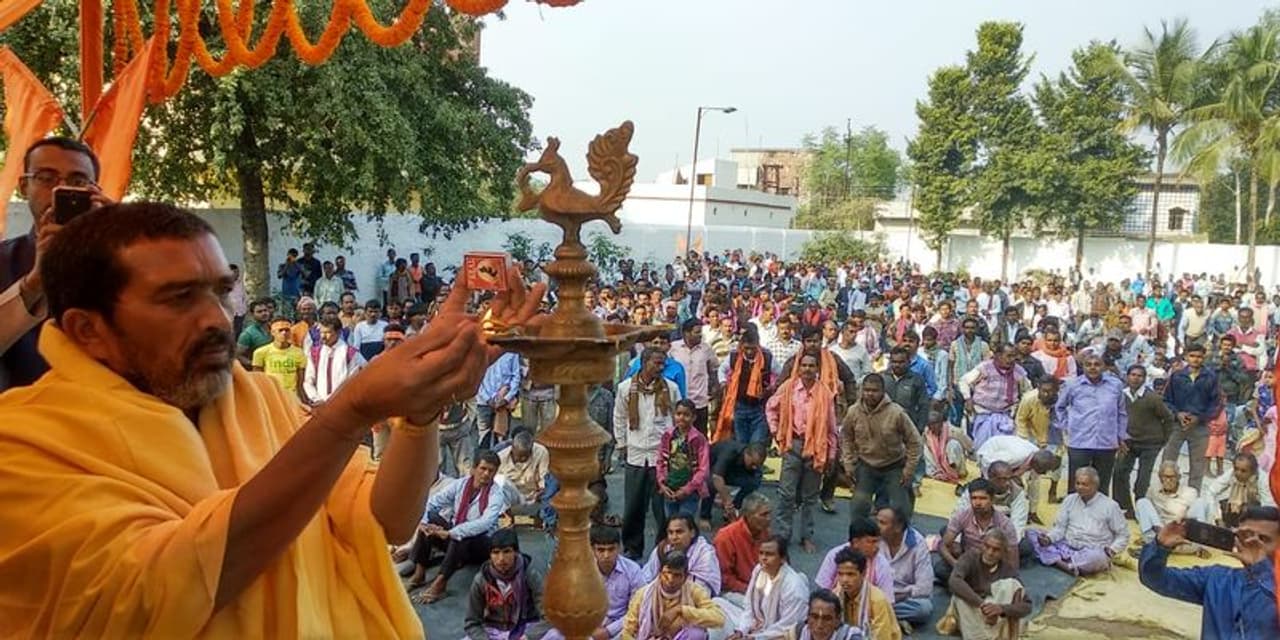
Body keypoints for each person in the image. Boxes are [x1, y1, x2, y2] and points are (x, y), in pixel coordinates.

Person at [0, 202, 544, 636]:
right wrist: (351, 409)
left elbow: (387, 522)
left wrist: (422, 410)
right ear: (87, 329)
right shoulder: (23, 446)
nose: (216, 318)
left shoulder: (258, 398)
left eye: (219, 290)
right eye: (178, 298)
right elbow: (159, 591)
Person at [1, 138, 108, 391]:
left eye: (78, 181)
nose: (61, 189)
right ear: (24, 186)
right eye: (46, 178)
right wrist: (34, 284)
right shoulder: (3, 260)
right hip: (16, 420)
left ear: (95, 191)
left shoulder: (121, 261)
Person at [1137, 505, 1280, 639]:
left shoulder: (1275, 591)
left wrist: (1261, 570)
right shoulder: (1218, 580)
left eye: (1263, 539)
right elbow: (1154, 578)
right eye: (1245, 536)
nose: (1252, 544)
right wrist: (1160, 547)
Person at [414, 450, 512, 603]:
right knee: (430, 521)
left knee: (463, 533)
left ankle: (440, 584)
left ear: (495, 473)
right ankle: (419, 573)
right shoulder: (460, 484)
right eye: (483, 468)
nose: (486, 474)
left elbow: (484, 523)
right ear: (474, 469)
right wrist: (425, 523)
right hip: (456, 537)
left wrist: (451, 532)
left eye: (490, 471)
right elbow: (432, 503)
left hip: (481, 544)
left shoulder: (496, 494)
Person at [766, 352, 839, 552]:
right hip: (793, 444)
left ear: (817, 369)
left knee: (810, 496)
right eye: (804, 365)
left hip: (816, 448)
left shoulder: (825, 393)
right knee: (786, 494)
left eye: (811, 366)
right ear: (798, 368)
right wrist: (775, 431)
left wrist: (831, 455)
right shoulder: (788, 388)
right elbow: (771, 408)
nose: (807, 369)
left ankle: (807, 536)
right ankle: (782, 534)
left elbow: (832, 428)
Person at [615, 348, 682, 559]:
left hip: (660, 455)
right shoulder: (625, 388)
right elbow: (619, 417)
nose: (661, 368)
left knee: (661, 507)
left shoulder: (670, 389)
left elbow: (677, 419)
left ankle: (663, 550)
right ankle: (632, 548)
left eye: (663, 364)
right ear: (644, 363)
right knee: (633, 505)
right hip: (635, 454)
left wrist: (674, 448)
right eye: (657, 364)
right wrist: (622, 444)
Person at [840, 374, 921, 521]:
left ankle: (901, 541)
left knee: (900, 510)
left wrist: (909, 469)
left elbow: (915, 442)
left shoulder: (896, 413)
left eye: (874, 390)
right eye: (866, 390)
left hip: (894, 466)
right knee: (858, 508)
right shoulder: (853, 412)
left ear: (883, 391)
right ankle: (859, 541)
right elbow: (846, 437)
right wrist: (848, 462)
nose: (869, 394)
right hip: (866, 465)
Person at [544, 526, 644, 640]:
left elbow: (637, 610)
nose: (606, 555)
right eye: (601, 550)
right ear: (592, 550)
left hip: (619, 627)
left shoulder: (633, 571)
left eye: (611, 549)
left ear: (619, 548)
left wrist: (609, 630)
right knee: (553, 635)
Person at [1028, 467, 1128, 576]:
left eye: (1085, 484)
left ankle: (1055, 559)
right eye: (1078, 483)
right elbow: (1060, 528)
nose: (1080, 487)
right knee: (1031, 532)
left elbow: (1123, 535)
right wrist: (1049, 538)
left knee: (1098, 558)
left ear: (1095, 486)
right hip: (1066, 544)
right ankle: (1064, 564)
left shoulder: (1110, 506)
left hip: (1091, 550)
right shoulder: (1069, 500)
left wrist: (1112, 550)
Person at [1057, 353, 1128, 494]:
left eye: (1097, 364)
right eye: (1088, 365)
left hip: (1106, 443)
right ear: (1082, 367)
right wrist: (1067, 427)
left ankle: (1099, 515)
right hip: (1079, 442)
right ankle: (1074, 514)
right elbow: (1059, 407)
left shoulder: (1115, 385)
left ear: (1103, 367)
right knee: (1076, 485)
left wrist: (1120, 436)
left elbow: (1121, 412)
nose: (1092, 368)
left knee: (1101, 485)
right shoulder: (1073, 385)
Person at [941, 530, 1030, 640]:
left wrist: (1001, 609)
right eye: (987, 546)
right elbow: (954, 581)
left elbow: (1027, 605)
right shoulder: (970, 557)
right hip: (971, 607)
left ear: (1003, 553)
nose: (989, 552)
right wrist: (982, 605)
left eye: (996, 550)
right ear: (981, 545)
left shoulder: (1008, 570)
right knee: (959, 596)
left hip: (993, 615)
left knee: (1012, 585)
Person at [463, 528, 547, 640]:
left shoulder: (530, 574)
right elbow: (472, 623)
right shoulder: (481, 579)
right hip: (494, 631)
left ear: (516, 552)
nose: (501, 559)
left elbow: (549, 616)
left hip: (525, 628)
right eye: (496, 552)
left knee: (558, 634)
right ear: (490, 555)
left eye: (507, 551)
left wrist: (529, 637)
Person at [1113, 365, 1176, 515]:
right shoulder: (1121, 396)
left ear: (1144, 378)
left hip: (1150, 443)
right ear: (1127, 377)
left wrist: (1163, 440)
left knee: (1142, 479)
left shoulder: (1152, 398)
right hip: (1128, 442)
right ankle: (1125, 509)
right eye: (1133, 375)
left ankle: (1142, 510)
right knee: (1119, 472)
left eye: (1139, 376)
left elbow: (1168, 418)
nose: (1135, 378)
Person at [622, 549, 726, 640]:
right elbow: (627, 631)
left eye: (677, 575)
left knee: (696, 634)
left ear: (685, 577)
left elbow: (719, 619)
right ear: (659, 573)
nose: (670, 580)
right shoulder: (644, 594)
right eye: (667, 573)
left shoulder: (694, 590)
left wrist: (680, 610)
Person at [724, 536, 809, 640]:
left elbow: (788, 628)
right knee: (717, 602)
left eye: (769, 554)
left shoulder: (794, 588)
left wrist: (755, 638)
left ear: (783, 559)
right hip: (757, 626)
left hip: (778, 636)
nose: (763, 558)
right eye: (761, 553)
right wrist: (741, 631)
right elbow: (749, 606)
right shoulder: (759, 569)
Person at [1162, 343, 1220, 496]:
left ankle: (1192, 497)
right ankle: (1167, 492)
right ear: (1186, 357)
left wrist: (1199, 417)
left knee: (1197, 464)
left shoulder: (1211, 377)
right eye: (1192, 356)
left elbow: (1215, 404)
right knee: (1168, 460)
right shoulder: (1177, 376)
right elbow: (1167, 400)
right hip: (1177, 425)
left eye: (1199, 356)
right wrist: (1177, 414)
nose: (1196, 359)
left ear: (1204, 357)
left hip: (1200, 427)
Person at [936, 478, 1019, 584]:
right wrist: (955, 564)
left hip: (993, 565)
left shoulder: (1005, 524)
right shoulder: (962, 515)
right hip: (970, 563)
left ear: (992, 500)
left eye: (983, 498)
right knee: (940, 569)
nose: (978, 503)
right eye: (974, 498)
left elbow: (1013, 559)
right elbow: (943, 546)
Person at [958, 343, 1030, 450]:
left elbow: (1028, 392)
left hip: (1006, 415)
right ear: (999, 355)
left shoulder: (1018, 371)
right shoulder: (985, 367)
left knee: (1003, 449)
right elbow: (963, 381)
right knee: (982, 448)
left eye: (1014, 356)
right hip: (983, 413)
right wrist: (968, 399)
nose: (1011, 360)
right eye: (1008, 356)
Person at [874, 506, 933, 632]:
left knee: (923, 609)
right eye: (877, 521)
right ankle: (890, 617)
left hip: (903, 598)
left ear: (898, 527)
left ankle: (880, 615)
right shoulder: (873, 539)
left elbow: (925, 588)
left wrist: (895, 595)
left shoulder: (918, 543)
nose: (877, 526)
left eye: (882, 523)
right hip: (876, 595)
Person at [714, 327, 774, 445]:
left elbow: (780, 373)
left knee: (757, 444)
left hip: (759, 408)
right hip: (739, 406)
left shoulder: (767, 357)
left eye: (753, 349)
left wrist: (771, 388)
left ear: (758, 345)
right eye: (746, 348)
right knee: (741, 444)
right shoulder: (734, 356)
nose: (750, 352)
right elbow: (721, 369)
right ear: (742, 345)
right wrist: (723, 382)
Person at [1133, 461, 1209, 555]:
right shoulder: (1153, 490)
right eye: (1165, 477)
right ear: (1160, 478)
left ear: (1178, 478)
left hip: (1181, 533)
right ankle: (1151, 541)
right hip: (1161, 532)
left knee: (1201, 502)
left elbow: (1195, 515)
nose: (1168, 480)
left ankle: (1201, 545)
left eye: (1172, 477)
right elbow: (1144, 515)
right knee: (1142, 502)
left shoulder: (1190, 492)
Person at [813, 517, 894, 603]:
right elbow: (822, 590)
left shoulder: (882, 564)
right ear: (856, 542)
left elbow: (887, 601)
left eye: (878, 542)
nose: (877, 546)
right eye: (872, 542)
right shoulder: (834, 555)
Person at [828, 548, 900, 640]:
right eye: (840, 574)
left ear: (863, 573)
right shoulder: (836, 595)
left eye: (850, 574)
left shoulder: (877, 600)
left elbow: (882, 637)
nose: (844, 580)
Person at [642, 515, 722, 597]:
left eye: (679, 532)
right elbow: (646, 579)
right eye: (670, 532)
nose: (674, 537)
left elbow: (704, 591)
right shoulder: (662, 549)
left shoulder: (704, 554)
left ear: (692, 533)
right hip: (660, 597)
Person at [658, 400, 712, 517]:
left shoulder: (699, 439)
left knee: (685, 523)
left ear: (694, 417)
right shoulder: (668, 435)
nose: (681, 418)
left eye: (686, 415)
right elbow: (660, 461)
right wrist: (662, 483)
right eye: (678, 414)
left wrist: (687, 489)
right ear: (674, 415)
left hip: (690, 491)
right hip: (670, 488)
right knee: (671, 523)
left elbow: (703, 469)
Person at [714, 493, 773, 597]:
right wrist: (751, 590)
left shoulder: (765, 532)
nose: (769, 518)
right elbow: (724, 577)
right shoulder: (725, 537)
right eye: (764, 515)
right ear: (748, 516)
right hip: (735, 591)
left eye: (769, 514)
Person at [670, 318, 721, 434]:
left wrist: (714, 387)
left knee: (700, 435)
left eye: (701, 332)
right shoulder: (673, 349)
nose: (700, 335)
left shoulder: (706, 349)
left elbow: (714, 369)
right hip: (680, 401)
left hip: (700, 401)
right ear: (686, 333)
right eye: (697, 332)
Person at [301, 316, 365, 405]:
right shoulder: (314, 353)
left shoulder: (351, 353)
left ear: (338, 333)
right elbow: (308, 380)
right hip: (319, 404)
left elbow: (351, 381)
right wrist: (316, 398)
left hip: (343, 403)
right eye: (321, 332)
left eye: (328, 332)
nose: (323, 336)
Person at [701, 441, 767, 527]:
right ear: (746, 454)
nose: (754, 467)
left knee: (754, 481)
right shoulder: (729, 452)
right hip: (711, 469)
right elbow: (716, 477)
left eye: (758, 465)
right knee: (711, 484)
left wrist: (732, 506)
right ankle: (704, 516)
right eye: (753, 463)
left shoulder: (752, 461)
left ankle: (734, 509)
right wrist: (727, 501)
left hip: (733, 471)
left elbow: (755, 475)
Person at [1199, 452, 1267, 527]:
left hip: (1255, 514)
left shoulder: (1263, 480)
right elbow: (1211, 491)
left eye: (1243, 471)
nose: (1238, 473)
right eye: (1236, 469)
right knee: (1202, 503)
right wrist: (1217, 518)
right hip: (1235, 511)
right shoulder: (1231, 473)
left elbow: (1268, 507)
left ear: (1252, 471)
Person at [250, 316, 308, 400]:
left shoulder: (299, 353)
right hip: (271, 397)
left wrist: (303, 399)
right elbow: (258, 380)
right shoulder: (260, 353)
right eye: (280, 330)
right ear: (272, 332)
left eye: (287, 330)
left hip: (292, 398)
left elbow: (300, 383)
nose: (284, 333)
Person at [498, 430, 550, 521]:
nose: (523, 458)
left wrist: (541, 491)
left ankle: (544, 520)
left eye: (526, 455)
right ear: (513, 449)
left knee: (552, 485)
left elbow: (544, 477)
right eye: (520, 456)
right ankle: (508, 518)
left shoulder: (541, 452)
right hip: (511, 498)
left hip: (533, 496)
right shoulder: (501, 457)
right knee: (500, 481)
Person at [477, 351, 523, 449]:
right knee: (483, 434)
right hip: (484, 401)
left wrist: (506, 399)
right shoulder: (482, 351)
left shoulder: (512, 352)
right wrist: (488, 399)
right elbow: (477, 377)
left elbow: (516, 377)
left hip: (504, 402)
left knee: (502, 435)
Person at [922, 409, 968, 484]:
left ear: (941, 423)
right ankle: (937, 473)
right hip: (937, 466)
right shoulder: (926, 434)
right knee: (925, 449)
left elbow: (969, 447)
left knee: (953, 444)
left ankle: (952, 472)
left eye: (934, 423)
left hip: (954, 464)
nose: (932, 426)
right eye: (930, 424)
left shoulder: (954, 431)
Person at [792, 590, 858, 640]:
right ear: (808, 617)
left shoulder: (851, 637)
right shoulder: (798, 632)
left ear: (837, 620)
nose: (819, 625)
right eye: (814, 617)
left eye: (827, 619)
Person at [236, 297, 274, 368]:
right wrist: (254, 364)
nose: (264, 313)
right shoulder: (248, 334)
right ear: (252, 314)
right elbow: (237, 355)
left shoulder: (275, 328)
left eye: (265, 310)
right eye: (259, 312)